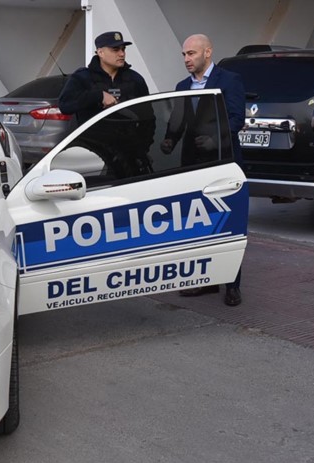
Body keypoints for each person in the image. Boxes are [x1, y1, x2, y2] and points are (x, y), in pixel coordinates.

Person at [166, 33, 246, 306]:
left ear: (207, 52)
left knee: (228, 223)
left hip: (223, 163)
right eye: (184, 55)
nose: (186, 59)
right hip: (192, 166)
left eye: (191, 53)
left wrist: (215, 140)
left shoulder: (229, 81)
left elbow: (236, 119)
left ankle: (232, 285)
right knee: (199, 224)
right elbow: (178, 121)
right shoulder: (182, 86)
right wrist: (169, 140)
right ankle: (205, 281)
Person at [59, 31, 150, 126]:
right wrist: (99, 96)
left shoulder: (135, 79)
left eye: (123, 49)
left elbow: (148, 115)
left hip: (128, 135)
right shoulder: (83, 77)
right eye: (115, 50)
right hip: (94, 135)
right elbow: (65, 106)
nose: (122, 54)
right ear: (100, 52)